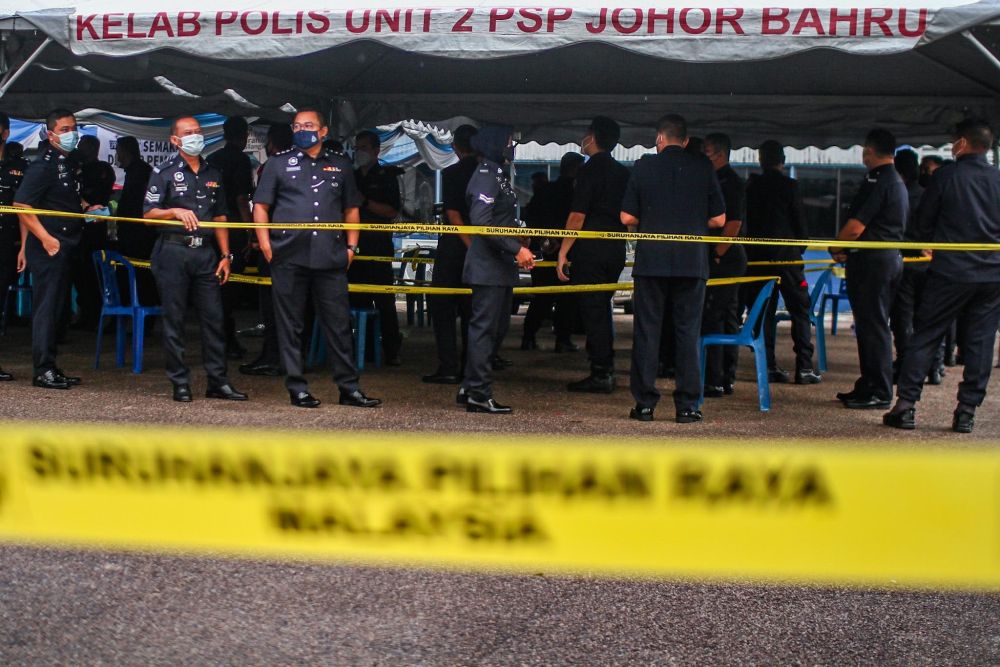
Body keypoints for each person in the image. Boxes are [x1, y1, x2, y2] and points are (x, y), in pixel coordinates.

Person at [253, 109, 380, 409]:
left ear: (323, 131)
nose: (302, 130)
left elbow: (351, 209)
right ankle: (297, 387)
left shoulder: (341, 165)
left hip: (330, 257)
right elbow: (260, 207)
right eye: (297, 126)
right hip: (288, 256)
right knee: (291, 325)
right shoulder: (277, 163)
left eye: (308, 126)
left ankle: (348, 388)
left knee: (337, 324)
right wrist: (266, 246)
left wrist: (352, 248)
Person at [884, 119, 1000, 433]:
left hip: (950, 271)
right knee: (980, 342)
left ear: (962, 143)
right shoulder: (998, 179)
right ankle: (966, 412)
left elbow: (922, 224)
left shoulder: (946, 176)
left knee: (927, 334)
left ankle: (906, 406)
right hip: (991, 275)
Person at [621, 114, 726, 423]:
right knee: (688, 333)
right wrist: (692, 222)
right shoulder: (704, 167)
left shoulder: (643, 167)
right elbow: (720, 220)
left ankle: (644, 405)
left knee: (647, 333)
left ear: (660, 139)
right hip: (692, 262)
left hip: (652, 261)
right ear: (687, 139)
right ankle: (688, 406)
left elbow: (626, 217)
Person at [143, 116, 247, 403]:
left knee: (214, 318)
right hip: (173, 251)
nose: (195, 137)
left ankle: (218, 381)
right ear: (175, 141)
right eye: (188, 133)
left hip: (206, 254)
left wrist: (226, 255)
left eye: (198, 132)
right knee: (174, 319)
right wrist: (173, 212)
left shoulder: (214, 171)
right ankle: (180, 382)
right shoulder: (163, 172)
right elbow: (148, 215)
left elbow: (221, 216)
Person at [459, 126, 536, 413]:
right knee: (485, 331)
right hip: (488, 267)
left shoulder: (498, 175)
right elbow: (481, 221)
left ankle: (470, 385)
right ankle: (479, 392)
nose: (511, 147)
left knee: (496, 329)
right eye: (507, 142)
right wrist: (517, 248)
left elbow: (500, 219)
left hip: (499, 266)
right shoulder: (485, 176)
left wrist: (518, 235)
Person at [13, 108, 91, 389]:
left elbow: (60, 201)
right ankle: (42, 369)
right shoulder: (43, 164)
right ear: (51, 134)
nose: (71, 134)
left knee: (58, 308)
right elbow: (22, 206)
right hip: (49, 247)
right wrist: (44, 239)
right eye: (65, 129)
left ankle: (51, 366)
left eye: (74, 128)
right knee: (46, 309)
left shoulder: (67, 162)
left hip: (65, 244)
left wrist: (86, 208)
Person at [832, 128, 907, 410]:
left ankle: (879, 389)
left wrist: (836, 246)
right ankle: (869, 383)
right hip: (883, 260)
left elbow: (856, 227)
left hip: (873, 263)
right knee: (870, 325)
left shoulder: (879, 180)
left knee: (873, 326)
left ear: (868, 150)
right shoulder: (893, 179)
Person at [557, 115, 630, 393]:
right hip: (614, 249)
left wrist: (564, 250)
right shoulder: (623, 173)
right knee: (601, 308)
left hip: (591, 249)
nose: (583, 139)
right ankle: (603, 367)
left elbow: (577, 215)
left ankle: (602, 372)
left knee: (594, 312)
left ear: (594, 136)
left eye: (586, 133)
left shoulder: (588, 171)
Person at [742, 140, 822, 385]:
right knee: (800, 311)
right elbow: (801, 225)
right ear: (782, 161)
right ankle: (804, 368)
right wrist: (798, 248)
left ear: (760, 160)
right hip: (787, 258)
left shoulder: (750, 187)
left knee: (763, 312)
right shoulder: (790, 186)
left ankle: (767, 366)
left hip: (757, 259)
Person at [423, 124, 477, 384]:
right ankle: (471, 366)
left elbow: (453, 214)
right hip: (481, 247)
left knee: (442, 306)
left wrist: (468, 244)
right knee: (472, 311)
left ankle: (448, 366)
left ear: (455, 146)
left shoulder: (452, 172)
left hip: (455, 247)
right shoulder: (492, 172)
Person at [240, 122, 293, 377]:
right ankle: (289, 357)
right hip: (293, 245)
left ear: (271, 143)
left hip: (271, 245)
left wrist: (257, 239)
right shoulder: (301, 166)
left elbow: (260, 206)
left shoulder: (270, 167)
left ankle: (272, 357)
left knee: (272, 307)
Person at [889, 148, 945, 385]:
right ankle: (935, 366)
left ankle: (905, 364)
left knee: (903, 318)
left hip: (904, 263)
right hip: (931, 264)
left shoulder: (895, 194)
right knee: (931, 318)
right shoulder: (929, 195)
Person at [347, 129, 403, 365]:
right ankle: (365, 349)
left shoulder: (387, 175)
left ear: (376, 150)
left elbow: (392, 211)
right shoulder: (352, 176)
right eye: (357, 148)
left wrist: (365, 202)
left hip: (378, 246)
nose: (360, 152)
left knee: (384, 301)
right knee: (357, 300)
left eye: (364, 148)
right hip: (354, 247)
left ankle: (391, 351)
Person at [700, 132, 750, 397]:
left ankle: (716, 379)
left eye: (706, 151)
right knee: (726, 317)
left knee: (714, 318)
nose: (702, 155)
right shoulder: (714, 179)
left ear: (719, 154)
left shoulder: (731, 183)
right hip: (722, 258)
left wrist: (717, 253)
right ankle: (724, 377)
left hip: (726, 259)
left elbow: (733, 224)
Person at [521, 151, 582, 352]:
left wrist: (543, 240)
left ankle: (528, 337)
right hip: (566, 249)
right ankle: (562, 339)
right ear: (575, 169)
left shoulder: (547, 190)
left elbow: (530, 215)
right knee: (567, 297)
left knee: (543, 297)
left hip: (545, 249)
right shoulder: (574, 193)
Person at [207, 116, 254, 360]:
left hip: (211, 227)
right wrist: (250, 231)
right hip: (233, 228)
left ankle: (216, 338)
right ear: (243, 135)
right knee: (230, 287)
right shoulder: (241, 160)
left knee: (213, 286)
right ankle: (225, 339)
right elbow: (241, 199)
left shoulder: (213, 159)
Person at [67, 134, 115, 332]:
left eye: (83, 145)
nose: (79, 147)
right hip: (78, 230)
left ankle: (97, 313)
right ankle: (85, 312)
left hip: (96, 229)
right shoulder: (75, 169)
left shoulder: (102, 169)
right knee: (79, 273)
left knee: (95, 273)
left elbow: (98, 194)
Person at [113, 135, 158, 311]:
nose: (117, 156)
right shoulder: (134, 171)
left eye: (118, 152)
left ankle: (144, 315)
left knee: (140, 276)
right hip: (131, 233)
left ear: (125, 152)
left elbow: (138, 204)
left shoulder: (140, 172)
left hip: (139, 236)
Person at [0, 111, 27, 381]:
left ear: (5, 133)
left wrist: (23, 248)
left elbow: (24, 211)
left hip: (6, 244)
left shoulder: (17, 169)